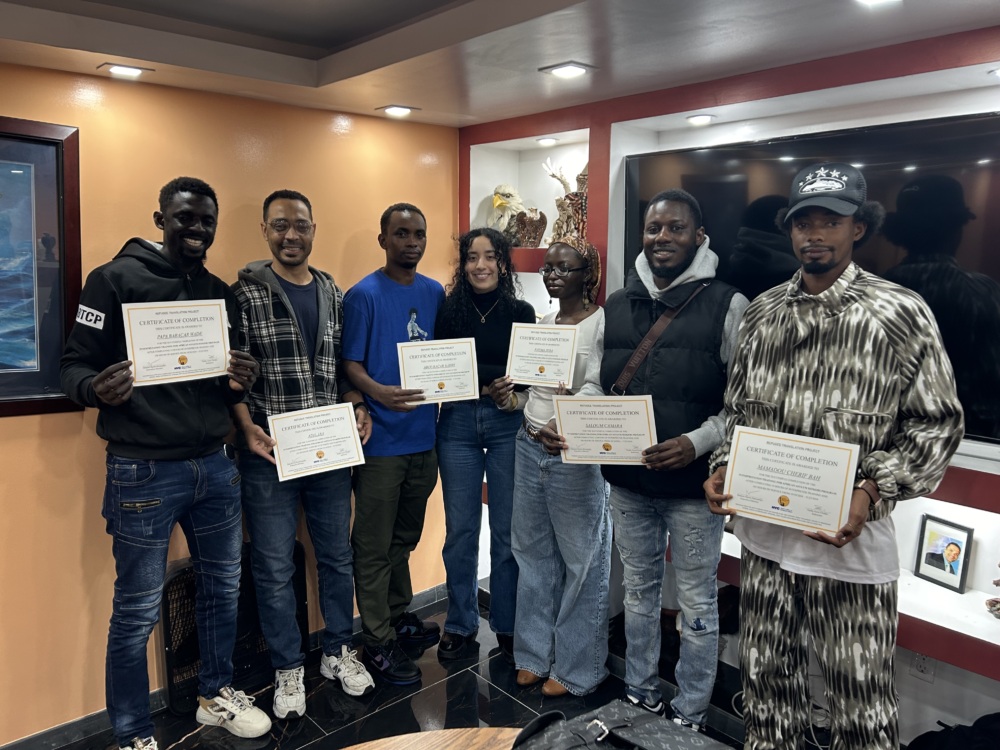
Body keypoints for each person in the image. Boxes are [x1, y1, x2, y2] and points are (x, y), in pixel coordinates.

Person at [705, 162, 964, 749]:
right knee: (768, 696)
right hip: (766, 544)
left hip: (850, 554)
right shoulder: (763, 313)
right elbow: (739, 410)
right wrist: (723, 464)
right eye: (803, 222)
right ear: (788, 229)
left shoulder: (899, 313)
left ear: (859, 229)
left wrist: (871, 492)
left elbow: (937, 425)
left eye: (831, 221)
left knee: (861, 706)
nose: (814, 234)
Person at [60, 177, 272, 750]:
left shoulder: (219, 292)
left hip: (215, 465)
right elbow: (72, 367)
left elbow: (225, 376)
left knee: (223, 589)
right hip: (144, 472)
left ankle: (214, 695)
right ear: (160, 219)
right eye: (185, 218)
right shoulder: (112, 281)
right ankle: (132, 733)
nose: (197, 229)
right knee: (135, 609)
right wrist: (93, 388)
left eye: (206, 220)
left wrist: (239, 383)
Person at [577, 189, 747, 730]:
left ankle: (692, 710)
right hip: (627, 484)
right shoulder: (616, 306)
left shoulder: (729, 304)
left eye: (676, 229)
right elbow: (592, 388)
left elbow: (743, 407)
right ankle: (640, 692)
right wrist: (575, 421)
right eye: (653, 229)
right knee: (639, 593)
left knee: (698, 605)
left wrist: (695, 443)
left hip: (696, 489)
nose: (662, 239)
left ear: (699, 237)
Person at [231, 189, 375, 720]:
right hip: (268, 451)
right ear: (265, 232)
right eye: (279, 226)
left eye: (300, 226)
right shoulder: (243, 294)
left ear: (314, 229)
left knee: (336, 555)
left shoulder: (333, 291)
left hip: (329, 448)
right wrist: (246, 428)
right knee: (272, 566)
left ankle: (338, 652)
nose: (291, 236)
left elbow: (339, 367)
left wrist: (357, 406)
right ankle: (288, 667)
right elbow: (234, 378)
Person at [499, 236, 611, 697]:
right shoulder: (542, 323)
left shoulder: (602, 324)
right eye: (549, 267)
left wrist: (566, 416)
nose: (553, 274)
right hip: (528, 446)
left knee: (583, 563)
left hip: (573, 454)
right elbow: (534, 394)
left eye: (565, 268)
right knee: (531, 554)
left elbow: (602, 387)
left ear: (588, 275)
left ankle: (577, 668)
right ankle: (532, 654)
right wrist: (511, 397)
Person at [342, 203, 445, 685]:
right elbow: (350, 365)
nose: (411, 242)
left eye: (419, 234)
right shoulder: (362, 295)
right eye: (401, 233)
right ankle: (377, 639)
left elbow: (446, 357)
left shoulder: (434, 293)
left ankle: (399, 614)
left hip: (426, 440)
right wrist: (377, 392)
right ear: (383, 240)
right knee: (373, 545)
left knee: (404, 538)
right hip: (381, 442)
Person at [433, 227, 535, 662]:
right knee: (461, 530)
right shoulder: (448, 310)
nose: (480, 265)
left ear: (503, 262)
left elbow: (530, 375)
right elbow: (436, 366)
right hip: (456, 421)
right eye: (471, 257)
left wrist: (510, 391)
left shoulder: (523, 311)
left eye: (489, 256)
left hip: (506, 420)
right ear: (463, 263)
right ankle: (460, 622)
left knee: (508, 530)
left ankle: (508, 624)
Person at [882, 174, 1000, 440]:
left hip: (885, 438)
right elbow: (991, 388)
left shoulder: (874, 290)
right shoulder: (979, 292)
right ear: (956, 230)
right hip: (966, 440)